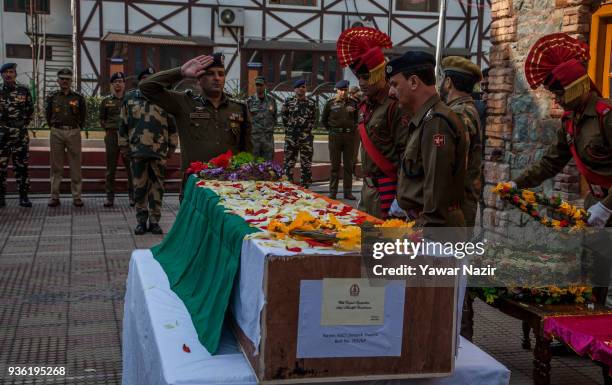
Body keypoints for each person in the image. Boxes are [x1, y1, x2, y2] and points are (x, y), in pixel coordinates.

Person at [509, 33, 612, 229]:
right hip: (596, 207)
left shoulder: (606, 115)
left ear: (576, 87)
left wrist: (607, 207)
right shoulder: (569, 120)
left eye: (559, 94)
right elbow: (551, 162)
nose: (557, 101)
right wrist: (517, 183)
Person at [386, 51, 468, 231]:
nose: (391, 92)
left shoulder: (436, 121)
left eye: (394, 84)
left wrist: (425, 234)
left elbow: (437, 191)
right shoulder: (425, 119)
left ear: (414, 82)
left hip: (436, 230)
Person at [139, 53, 252, 178]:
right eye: (210, 74)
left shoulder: (239, 108)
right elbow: (146, 87)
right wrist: (180, 71)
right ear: (199, 78)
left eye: (221, 74)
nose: (217, 78)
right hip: (195, 182)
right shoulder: (184, 103)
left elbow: (248, 149)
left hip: (230, 182)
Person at [337, 26, 407, 218]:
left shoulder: (394, 107)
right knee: (366, 246)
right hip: (368, 189)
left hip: (388, 190)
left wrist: (401, 199)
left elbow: (405, 156)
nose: (361, 83)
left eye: (366, 77)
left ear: (380, 74)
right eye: (359, 77)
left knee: (385, 246)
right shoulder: (365, 104)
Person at [120, 67, 178, 235]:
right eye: (145, 78)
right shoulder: (130, 98)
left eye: (151, 78)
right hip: (137, 151)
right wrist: (124, 146)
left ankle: (154, 221)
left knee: (157, 188)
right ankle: (140, 221)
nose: (148, 80)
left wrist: (172, 147)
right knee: (139, 188)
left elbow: (172, 126)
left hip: (158, 152)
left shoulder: (164, 99)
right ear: (140, 81)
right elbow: (123, 124)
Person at [439, 56, 484, 236]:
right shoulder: (466, 109)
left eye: (443, 79)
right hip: (462, 201)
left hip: (457, 204)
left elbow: (453, 163)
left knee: (449, 260)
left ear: (448, 82)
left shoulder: (459, 113)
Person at [45, 68, 86, 207]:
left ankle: (77, 196)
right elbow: (48, 114)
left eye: (67, 79)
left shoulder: (78, 97)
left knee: (75, 165)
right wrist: (54, 127)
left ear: (71, 80)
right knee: (56, 166)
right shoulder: (52, 97)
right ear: (58, 81)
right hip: (56, 132)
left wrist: (77, 127)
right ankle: (54, 196)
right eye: (62, 78)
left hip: (73, 132)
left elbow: (83, 115)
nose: (64, 81)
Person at [0, 63, 34, 208]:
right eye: (5, 72)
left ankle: (23, 197)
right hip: (1, 136)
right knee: (0, 168)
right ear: (1, 75)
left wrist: (20, 125)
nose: (8, 74)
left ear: (15, 74)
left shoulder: (23, 90)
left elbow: (30, 110)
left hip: (20, 135)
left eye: (11, 72)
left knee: (22, 167)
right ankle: (1, 197)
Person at [100, 71, 133, 207]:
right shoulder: (106, 101)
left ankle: (132, 196)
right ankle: (110, 197)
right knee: (110, 168)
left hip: (127, 137)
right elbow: (102, 119)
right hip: (112, 136)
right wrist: (110, 129)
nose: (118, 84)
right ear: (112, 85)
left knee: (130, 168)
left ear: (124, 84)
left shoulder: (130, 100)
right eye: (115, 82)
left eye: (120, 81)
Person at [321, 79, 358, 200]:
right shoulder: (330, 103)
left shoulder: (353, 103)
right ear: (337, 90)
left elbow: (357, 120)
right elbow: (324, 120)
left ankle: (348, 192)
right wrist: (333, 130)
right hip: (335, 137)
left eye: (345, 90)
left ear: (348, 90)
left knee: (348, 165)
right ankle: (333, 192)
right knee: (334, 166)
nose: (343, 92)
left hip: (349, 137)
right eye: (340, 90)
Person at [281, 79, 317, 188]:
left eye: (304, 87)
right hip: (291, 137)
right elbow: (284, 117)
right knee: (289, 163)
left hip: (306, 137)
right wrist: (291, 129)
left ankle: (305, 186)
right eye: (299, 87)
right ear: (295, 89)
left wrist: (306, 130)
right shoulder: (288, 101)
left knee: (306, 164)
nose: (302, 89)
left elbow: (313, 118)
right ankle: (288, 186)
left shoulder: (311, 103)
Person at [247, 76, 277, 161]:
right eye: (257, 85)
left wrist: (269, 129)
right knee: (254, 164)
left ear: (265, 86)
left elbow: (274, 117)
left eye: (261, 85)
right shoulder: (250, 101)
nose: (259, 87)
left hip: (268, 139)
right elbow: (247, 120)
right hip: (255, 139)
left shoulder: (272, 101)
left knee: (268, 165)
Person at [349, 85, 363, 180]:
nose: (359, 93)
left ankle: (352, 172)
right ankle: (351, 173)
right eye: (357, 92)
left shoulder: (359, 102)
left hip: (358, 130)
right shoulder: (350, 103)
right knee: (351, 153)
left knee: (354, 153)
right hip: (352, 131)